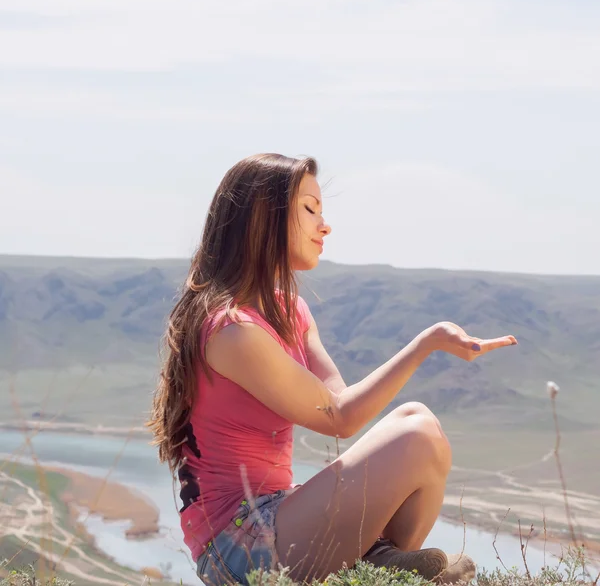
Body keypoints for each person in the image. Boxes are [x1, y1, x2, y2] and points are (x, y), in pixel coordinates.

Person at [148, 153, 518, 586]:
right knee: (418, 436)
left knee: (419, 427)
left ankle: (379, 567)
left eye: (322, 211)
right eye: (308, 209)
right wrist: (427, 343)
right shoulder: (233, 331)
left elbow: (341, 399)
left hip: (279, 517)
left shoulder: (290, 312)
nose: (324, 225)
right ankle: (380, 567)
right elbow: (341, 418)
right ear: (262, 220)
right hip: (237, 549)